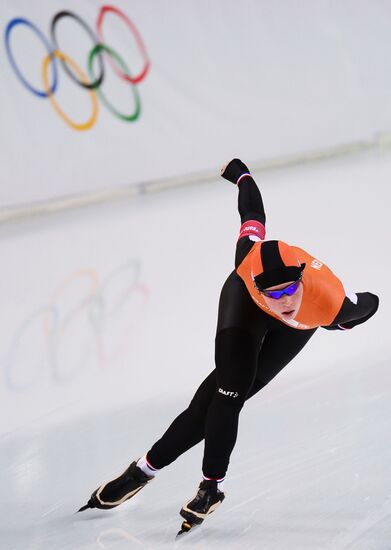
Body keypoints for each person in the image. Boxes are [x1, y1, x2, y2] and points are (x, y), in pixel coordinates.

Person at [79, 159, 379, 534]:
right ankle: (189, 482)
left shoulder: (332, 302)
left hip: (301, 325)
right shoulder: (246, 261)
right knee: (224, 397)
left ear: (302, 279)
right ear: (259, 283)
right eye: (275, 293)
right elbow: (253, 211)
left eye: (290, 289)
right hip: (244, 308)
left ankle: (160, 473)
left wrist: (349, 316)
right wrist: (241, 174)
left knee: (218, 400)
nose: (284, 299)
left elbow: (370, 303)